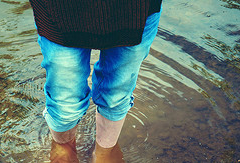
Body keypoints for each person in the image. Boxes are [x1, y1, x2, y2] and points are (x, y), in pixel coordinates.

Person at [29, 0, 163, 148]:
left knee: (116, 95)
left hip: (136, 9)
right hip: (59, 9)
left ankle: (105, 154)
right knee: (65, 102)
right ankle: (64, 152)